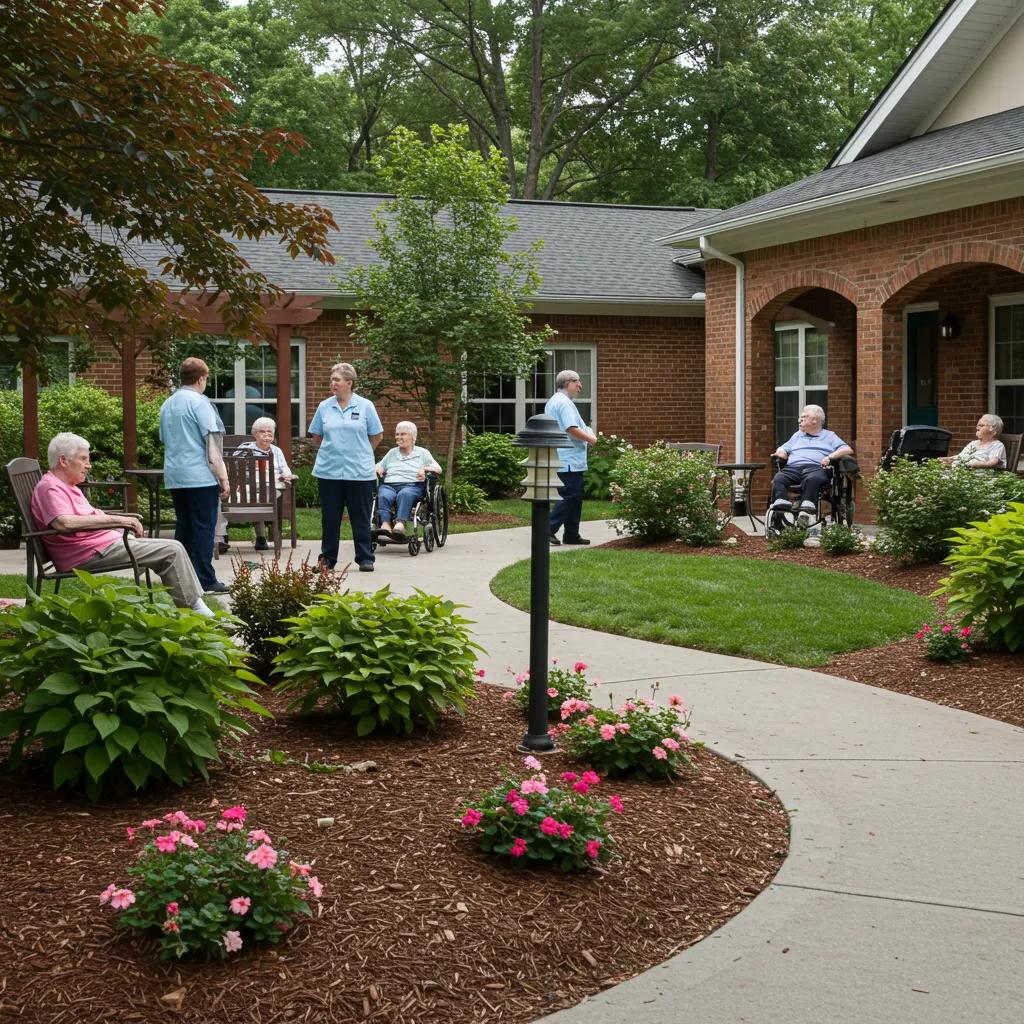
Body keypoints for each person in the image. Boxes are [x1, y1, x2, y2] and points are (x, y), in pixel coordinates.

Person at [30, 433, 216, 617]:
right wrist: (120, 521)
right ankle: (197, 610)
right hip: (87, 553)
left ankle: (195, 605)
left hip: (99, 546)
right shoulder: (51, 488)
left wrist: (119, 526)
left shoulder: (67, 486)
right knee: (171, 550)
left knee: (170, 548)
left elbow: (88, 517)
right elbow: (64, 523)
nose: (89, 465)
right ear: (63, 461)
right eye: (84, 459)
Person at [159, 357, 230, 593]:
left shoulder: (168, 404)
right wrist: (223, 477)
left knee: (185, 526)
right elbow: (212, 443)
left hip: (175, 474)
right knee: (204, 528)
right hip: (199, 475)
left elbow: (165, 439)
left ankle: (180, 577)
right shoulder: (200, 403)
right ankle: (205, 580)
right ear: (202, 378)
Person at [308, 362, 383, 572]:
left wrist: (361, 452)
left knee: (360, 518)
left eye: (337, 380)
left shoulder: (366, 406)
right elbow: (316, 435)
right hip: (328, 472)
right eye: (332, 380)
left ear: (349, 383)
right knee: (330, 519)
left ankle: (365, 558)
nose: (332, 383)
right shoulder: (324, 406)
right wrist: (334, 450)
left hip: (359, 473)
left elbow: (377, 435)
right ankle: (328, 560)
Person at [770, 405, 854, 527]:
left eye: (804, 417)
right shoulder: (797, 435)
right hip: (793, 468)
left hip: (816, 468)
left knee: (811, 479)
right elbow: (783, 447)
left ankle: (806, 511)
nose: (800, 419)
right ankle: (781, 511)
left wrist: (830, 457)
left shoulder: (829, 436)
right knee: (779, 478)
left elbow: (847, 449)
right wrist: (781, 451)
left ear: (815, 420)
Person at [545, 369, 597, 546]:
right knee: (570, 496)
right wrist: (591, 439)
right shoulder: (564, 403)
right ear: (568, 383)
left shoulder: (555, 401)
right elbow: (571, 428)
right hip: (568, 459)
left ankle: (571, 535)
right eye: (578, 382)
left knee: (574, 497)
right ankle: (547, 529)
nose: (580, 386)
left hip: (566, 458)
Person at [235, 416, 298, 551]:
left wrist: (286, 475)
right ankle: (222, 537)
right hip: (247, 488)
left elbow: (285, 469)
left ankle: (261, 537)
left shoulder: (276, 451)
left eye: (270, 432)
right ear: (254, 434)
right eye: (262, 431)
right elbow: (232, 466)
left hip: (270, 489)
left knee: (264, 496)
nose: (266, 435)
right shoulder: (245, 448)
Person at [374, 421, 442, 538]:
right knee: (383, 494)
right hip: (390, 484)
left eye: (403, 434)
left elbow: (438, 469)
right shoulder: (392, 453)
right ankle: (385, 524)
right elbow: (378, 465)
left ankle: (400, 523)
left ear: (413, 437)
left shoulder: (422, 453)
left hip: (413, 485)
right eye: (397, 434)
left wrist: (425, 469)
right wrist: (378, 468)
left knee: (404, 493)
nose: (398, 437)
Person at [940, 414, 1007, 469]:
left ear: (993, 432)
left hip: (980, 474)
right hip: (964, 471)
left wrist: (976, 464)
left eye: (981, 425)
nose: (977, 427)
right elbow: (961, 456)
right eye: (977, 425)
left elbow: (993, 462)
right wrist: (948, 459)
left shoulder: (997, 445)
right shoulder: (973, 444)